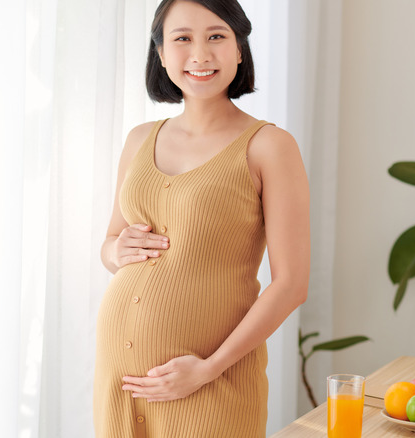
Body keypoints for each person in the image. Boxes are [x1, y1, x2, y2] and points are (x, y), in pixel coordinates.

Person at [94, 0, 310, 436]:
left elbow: (291, 285)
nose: (200, 54)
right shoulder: (140, 139)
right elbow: (111, 245)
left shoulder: (269, 145)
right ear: (160, 53)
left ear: (239, 49)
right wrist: (116, 250)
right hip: (121, 376)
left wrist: (209, 368)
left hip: (212, 381)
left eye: (216, 36)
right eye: (182, 39)